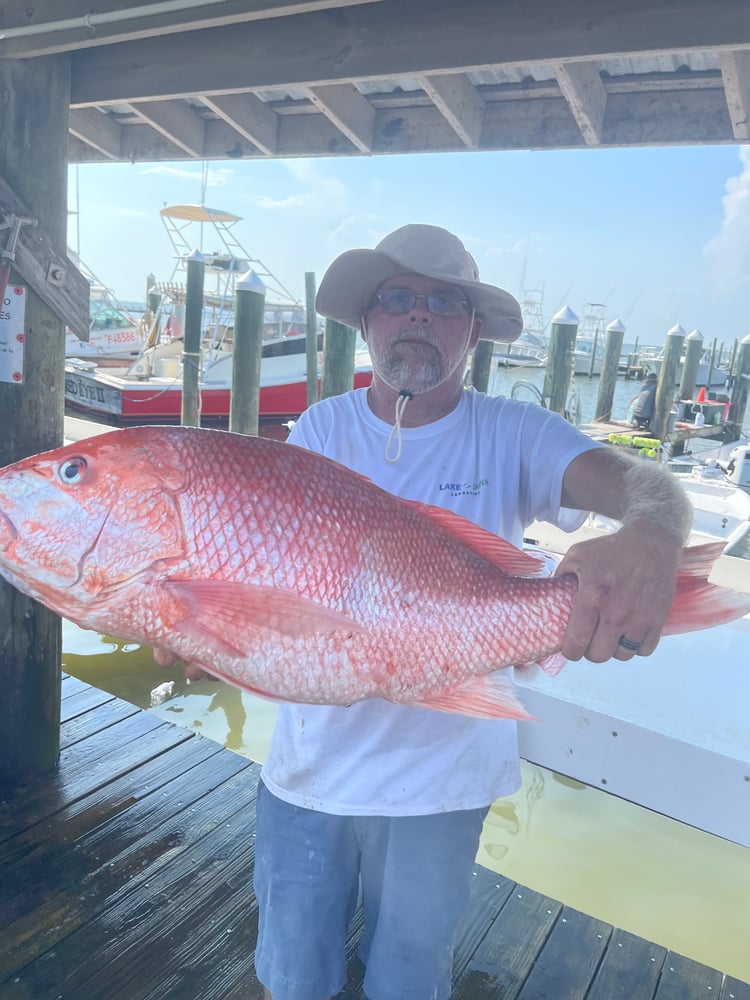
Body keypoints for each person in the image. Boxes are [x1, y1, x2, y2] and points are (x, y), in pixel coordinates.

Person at [252, 225, 692, 1000]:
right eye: (396, 298)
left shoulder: (514, 432)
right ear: (367, 322)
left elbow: (652, 487)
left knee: (409, 980)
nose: (416, 315)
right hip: (309, 769)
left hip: (442, 784)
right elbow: (275, 583)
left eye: (442, 301)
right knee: (293, 977)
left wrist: (653, 537)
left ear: (473, 330)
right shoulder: (321, 427)